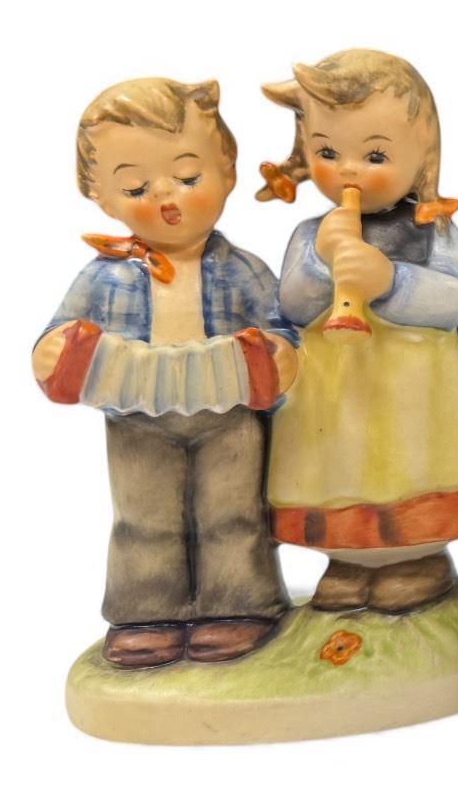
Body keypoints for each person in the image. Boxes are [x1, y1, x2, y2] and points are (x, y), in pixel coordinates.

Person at [34, 78, 298, 667]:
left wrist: (282, 354)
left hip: (229, 418)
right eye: (135, 187)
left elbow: (283, 326)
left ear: (227, 172)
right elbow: (60, 333)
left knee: (233, 515)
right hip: (136, 420)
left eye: (188, 176)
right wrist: (54, 354)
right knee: (143, 520)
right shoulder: (104, 276)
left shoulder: (242, 270)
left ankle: (237, 605)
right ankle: (146, 612)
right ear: (100, 197)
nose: (165, 196)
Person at [256, 49, 458, 613]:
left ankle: (416, 560)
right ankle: (347, 562)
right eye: (327, 152)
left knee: (412, 470)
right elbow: (290, 304)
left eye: (374, 155)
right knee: (335, 471)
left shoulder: (431, 228)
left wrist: (390, 280)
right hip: (333, 390)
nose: (347, 170)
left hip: (412, 389)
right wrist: (323, 265)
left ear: (422, 158)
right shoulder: (312, 233)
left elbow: (457, 297)